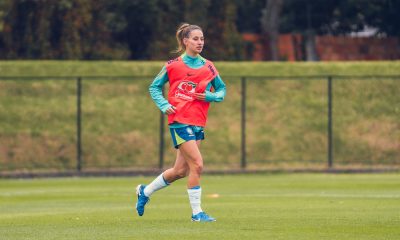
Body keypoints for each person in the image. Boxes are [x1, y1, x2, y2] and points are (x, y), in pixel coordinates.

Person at [135, 23, 226, 222]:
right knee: (198, 165)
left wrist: (210, 97)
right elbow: (154, 87)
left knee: (180, 171)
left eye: (202, 38)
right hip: (179, 120)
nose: (200, 42)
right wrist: (163, 104)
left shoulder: (208, 66)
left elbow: (221, 91)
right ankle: (197, 213)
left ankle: (145, 191)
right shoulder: (173, 65)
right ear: (185, 41)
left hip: (198, 122)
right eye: (195, 39)